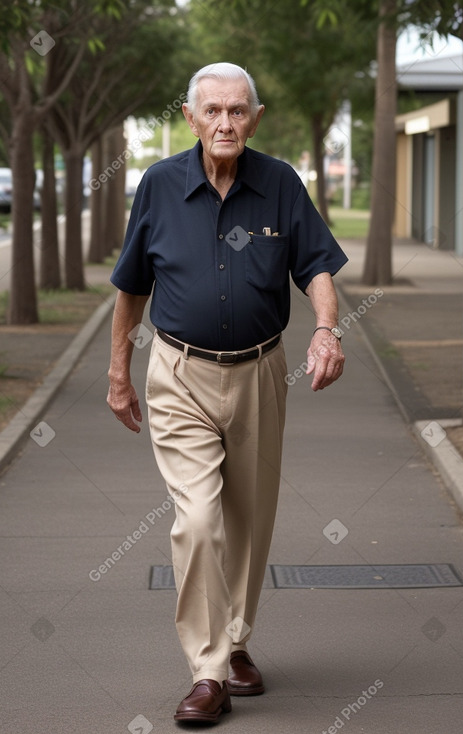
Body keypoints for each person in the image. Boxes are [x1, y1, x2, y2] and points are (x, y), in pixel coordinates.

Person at [107, 61, 348, 724]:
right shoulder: (157, 187)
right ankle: (209, 669)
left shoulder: (278, 184)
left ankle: (237, 642)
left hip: (261, 373)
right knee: (198, 520)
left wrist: (326, 330)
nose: (224, 122)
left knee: (248, 519)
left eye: (237, 110)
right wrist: (118, 373)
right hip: (179, 374)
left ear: (255, 118)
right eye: (211, 110)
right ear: (189, 117)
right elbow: (131, 286)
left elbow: (318, 265)